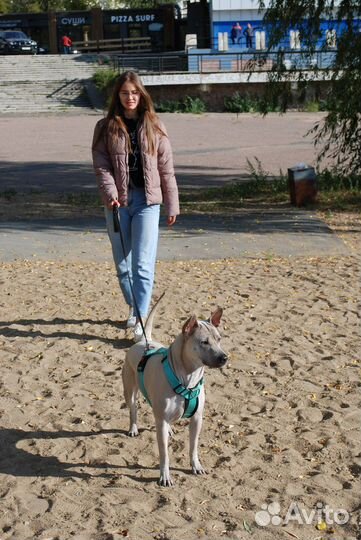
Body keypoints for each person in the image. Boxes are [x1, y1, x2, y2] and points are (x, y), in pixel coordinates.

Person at [91, 71, 179, 342]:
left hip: (147, 202)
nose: (130, 98)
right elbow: (101, 165)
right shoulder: (105, 127)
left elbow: (166, 168)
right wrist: (111, 194)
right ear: (117, 96)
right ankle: (134, 305)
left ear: (142, 95)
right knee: (123, 265)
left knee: (142, 264)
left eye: (134, 92)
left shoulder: (155, 125)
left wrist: (172, 203)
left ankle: (141, 317)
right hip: (118, 203)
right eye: (125, 93)